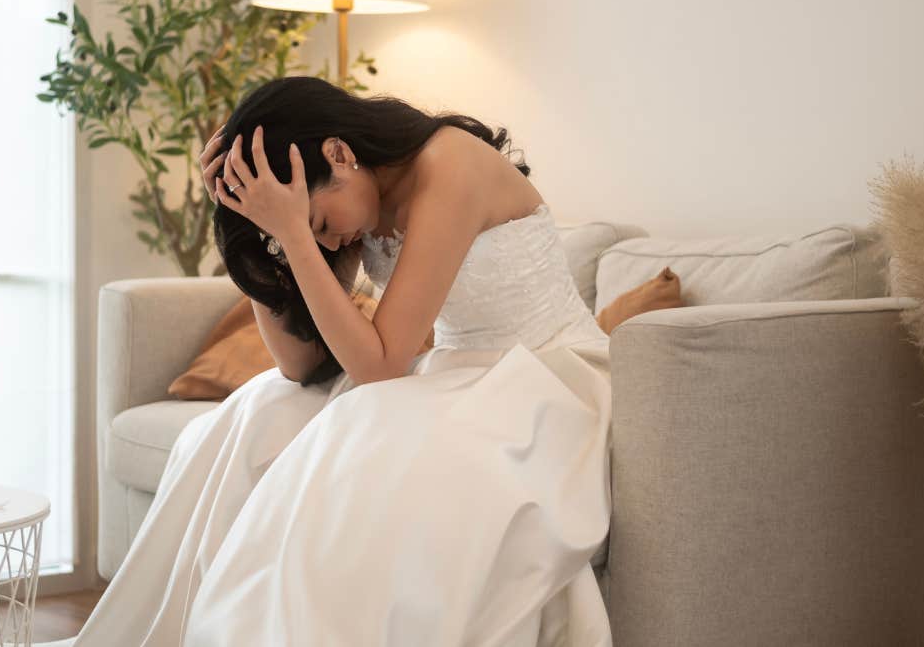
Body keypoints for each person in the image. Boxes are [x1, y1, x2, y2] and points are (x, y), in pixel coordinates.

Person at [49, 76, 617, 646]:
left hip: (544, 377)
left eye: (320, 223)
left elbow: (382, 367)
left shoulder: (451, 164)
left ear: (339, 154)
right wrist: (244, 230)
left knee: (365, 441)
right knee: (260, 407)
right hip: (450, 377)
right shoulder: (358, 205)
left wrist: (294, 233)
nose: (330, 242)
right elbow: (299, 363)